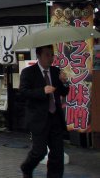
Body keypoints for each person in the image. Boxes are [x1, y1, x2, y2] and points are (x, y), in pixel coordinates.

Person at [19, 45, 69, 178]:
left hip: (55, 117)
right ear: (39, 55)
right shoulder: (28, 72)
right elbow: (23, 92)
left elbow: (63, 92)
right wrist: (42, 91)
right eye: (47, 55)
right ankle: (26, 167)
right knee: (39, 152)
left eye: (52, 55)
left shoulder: (55, 71)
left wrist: (64, 83)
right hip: (38, 119)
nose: (50, 58)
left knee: (57, 154)